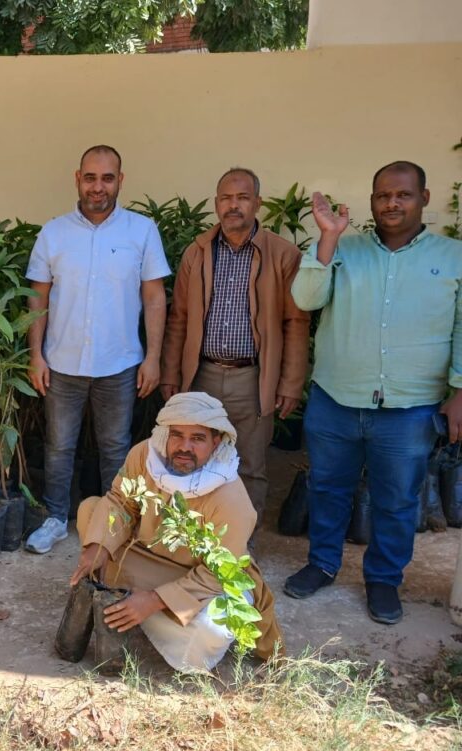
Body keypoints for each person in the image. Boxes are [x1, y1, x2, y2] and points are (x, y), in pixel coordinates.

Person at [284, 161, 462, 624]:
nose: (392, 203)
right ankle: (322, 563)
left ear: (424, 197)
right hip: (336, 399)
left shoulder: (453, 256)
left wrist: (460, 390)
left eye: (403, 194)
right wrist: (326, 237)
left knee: (398, 499)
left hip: (409, 407)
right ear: (371, 201)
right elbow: (305, 299)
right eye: (382, 195)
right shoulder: (343, 248)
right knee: (327, 487)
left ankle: (384, 579)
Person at [69, 392, 281, 672]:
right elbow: (121, 502)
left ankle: (136, 607)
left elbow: (220, 573)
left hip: (203, 578)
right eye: (177, 435)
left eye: (197, 438)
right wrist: (100, 548)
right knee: (91, 512)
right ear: (164, 435)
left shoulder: (231, 497)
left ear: (216, 442)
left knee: (213, 630)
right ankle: (133, 606)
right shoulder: (144, 455)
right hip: (147, 558)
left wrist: (156, 600)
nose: (184, 447)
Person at [25, 145, 170, 554]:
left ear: (120, 181)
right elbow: (37, 299)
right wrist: (36, 355)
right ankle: (55, 518)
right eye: (90, 177)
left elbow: (155, 298)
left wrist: (153, 356)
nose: (98, 187)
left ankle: (114, 524)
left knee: (115, 447)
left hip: (119, 364)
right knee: (58, 446)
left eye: (107, 178)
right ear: (77, 179)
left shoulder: (141, 231)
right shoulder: (53, 233)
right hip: (62, 362)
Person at [160, 168, 309, 530]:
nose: (234, 205)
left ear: (257, 203)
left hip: (252, 378)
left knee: (250, 467)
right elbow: (178, 317)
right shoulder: (197, 252)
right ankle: (195, 541)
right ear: (216, 204)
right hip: (201, 375)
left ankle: (242, 547)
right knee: (193, 458)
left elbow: (295, 322)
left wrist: (290, 383)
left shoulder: (282, 255)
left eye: (242, 198)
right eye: (226, 198)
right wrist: (169, 375)